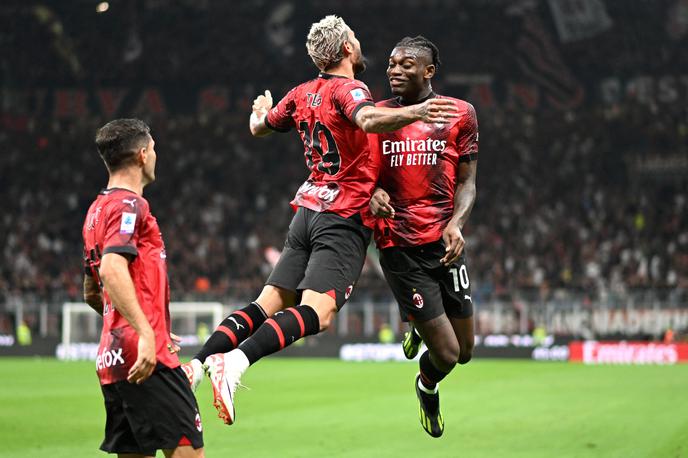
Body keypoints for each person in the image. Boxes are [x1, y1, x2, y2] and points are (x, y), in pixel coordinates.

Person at [181, 15, 459, 426]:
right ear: (347, 47)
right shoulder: (351, 89)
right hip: (341, 218)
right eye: (356, 38)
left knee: (268, 303)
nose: (362, 44)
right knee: (320, 312)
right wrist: (419, 110)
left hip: (307, 211)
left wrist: (257, 113)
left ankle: (194, 366)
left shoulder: (300, 93)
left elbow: (260, 127)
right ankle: (235, 362)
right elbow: (366, 119)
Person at [367, 36, 479, 438]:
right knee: (445, 354)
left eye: (406, 64)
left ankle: (415, 323)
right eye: (391, 63)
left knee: (465, 353)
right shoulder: (375, 116)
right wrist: (373, 193)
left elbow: (468, 183)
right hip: (399, 245)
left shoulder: (460, 114)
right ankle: (425, 385)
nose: (394, 70)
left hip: (444, 245)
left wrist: (456, 224)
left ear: (429, 71)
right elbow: (360, 176)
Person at [82, 119, 204, 457]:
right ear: (142, 154)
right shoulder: (131, 205)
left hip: (113, 360)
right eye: (154, 149)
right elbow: (111, 269)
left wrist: (144, 322)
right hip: (149, 358)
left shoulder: (96, 211)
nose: (156, 155)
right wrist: (147, 331)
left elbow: (91, 292)